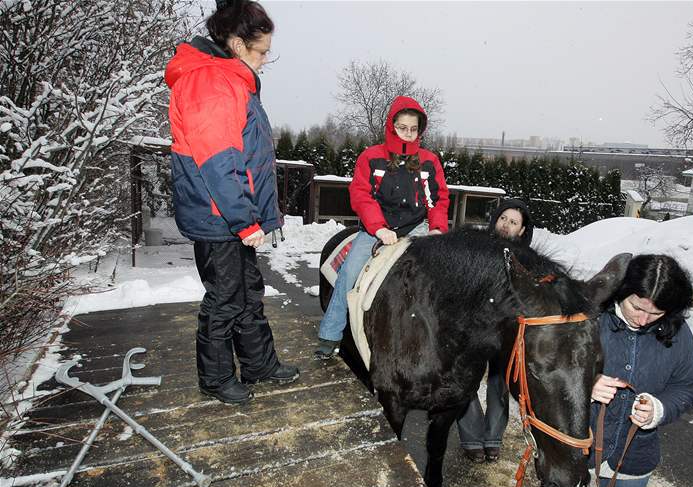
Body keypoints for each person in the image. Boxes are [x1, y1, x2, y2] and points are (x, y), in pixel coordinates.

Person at [165, 0, 298, 406]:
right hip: (217, 215)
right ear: (238, 44)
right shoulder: (210, 82)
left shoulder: (231, 78)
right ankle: (217, 378)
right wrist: (244, 219)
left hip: (234, 216)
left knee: (248, 291)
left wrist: (253, 216)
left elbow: (249, 156)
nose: (265, 59)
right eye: (261, 51)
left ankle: (258, 364)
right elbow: (219, 162)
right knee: (224, 298)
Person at [525, 254, 693, 487]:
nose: (644, 319)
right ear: (622, 291)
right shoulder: (588, 318)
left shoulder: (678, 331)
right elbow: (550, 370)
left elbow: (690, 384)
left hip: (634, 451)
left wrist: (660, 408)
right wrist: (588, 384)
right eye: (637, 307)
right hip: (575, 442)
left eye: (656, 313)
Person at [315, 96, 450, 358]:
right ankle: (330, 334)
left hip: (415, 229)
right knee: (349, 274)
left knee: (440, 279)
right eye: (402, 127)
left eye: (413, 129)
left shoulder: (429, 161)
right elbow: (362, 195)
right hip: (376, 229)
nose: (408, 134)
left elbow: (438, 199)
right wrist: (378, 228)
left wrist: (436, 229)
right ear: (391, 126)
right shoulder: (371, 157)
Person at [458, 198, 533, 463]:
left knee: (499, 386)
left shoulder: (527, 261)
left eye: (514, 222)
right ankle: (471, 438)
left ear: (522, 230)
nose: (506, 225)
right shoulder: (478, 249)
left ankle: (492, 438)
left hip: (507, 333)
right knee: (465, 382)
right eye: (503, 218)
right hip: (475, 329)